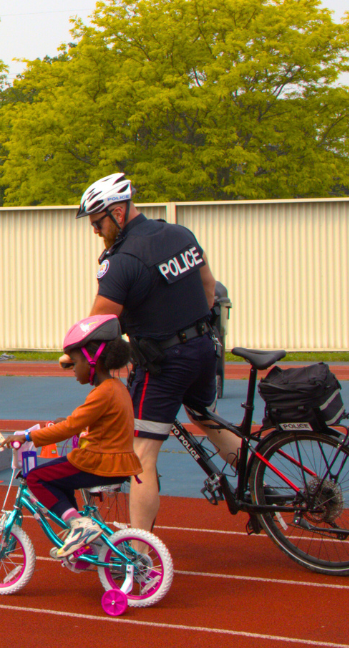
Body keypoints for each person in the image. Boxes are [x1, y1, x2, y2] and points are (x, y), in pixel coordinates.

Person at [77, 172, 239, 530]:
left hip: (165, 363)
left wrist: (72, 354)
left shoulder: (121, 261)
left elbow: (99, 324)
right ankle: (256, 479)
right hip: (203, 349)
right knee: (205, 417)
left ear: (117, 213)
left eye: (97, 222)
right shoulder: (180, 234)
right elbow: (209, 287)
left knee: (140, 454)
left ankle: (138, 549)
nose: (95, 231)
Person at [7, 315, 141, 558]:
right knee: (59, 481)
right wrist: (75, 426)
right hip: (117, 460)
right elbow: (102, 425)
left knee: (37, 477)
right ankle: (82, 538)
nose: (74, 370)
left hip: (99, 461)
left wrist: (29, 437)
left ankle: (80, 527)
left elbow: (69, 427)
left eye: (75, 362)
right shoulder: (116, 388)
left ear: (93, 361)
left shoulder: (102, 393)